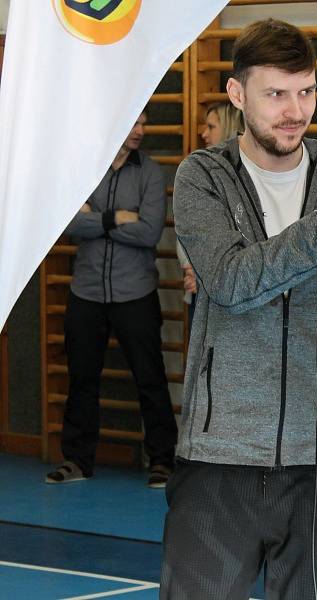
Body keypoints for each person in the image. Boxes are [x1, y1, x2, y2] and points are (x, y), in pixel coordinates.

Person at [160, 18, 317, 599]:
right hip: (220, 459)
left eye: (307, 91)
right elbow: (233, 283)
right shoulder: (203, 177)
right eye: (276, 94)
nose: (295, 110)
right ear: (238, 95)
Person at [46, 112, 178, 489]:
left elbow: (150, 231)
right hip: (85, 292)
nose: (140, 131)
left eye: (144, 123)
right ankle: (76, 460)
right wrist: (117, 218)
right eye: (133, 123)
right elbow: (68, 223)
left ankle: (162, 462)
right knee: (81, 379)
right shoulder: (84, 169)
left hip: (135, 293)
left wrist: (96, 221)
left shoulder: (150, 173)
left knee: (150, 380)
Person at [177, 102, 244, 331]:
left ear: (228, 127)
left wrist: (204, 273)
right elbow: (187, 230)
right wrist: (192, 269)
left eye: (211, 127)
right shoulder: (197, 172)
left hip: (234, 291)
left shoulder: (244, 177)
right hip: (199, 288)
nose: (204, 134)